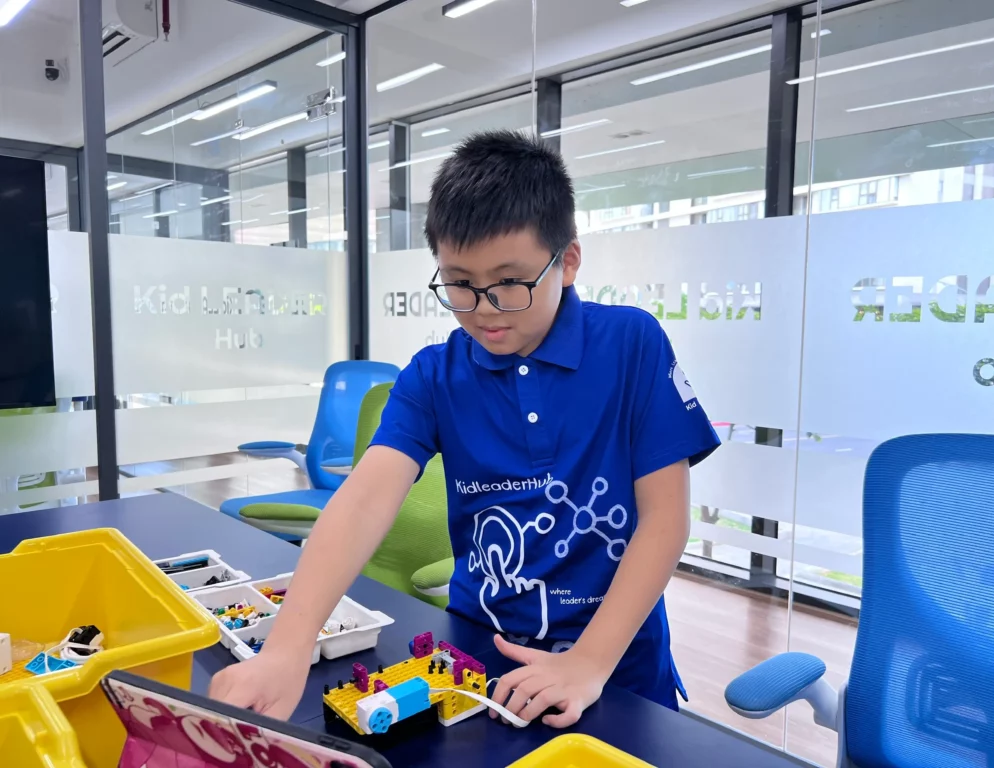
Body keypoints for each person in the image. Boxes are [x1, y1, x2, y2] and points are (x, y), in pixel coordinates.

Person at [209, 130, 720, 728]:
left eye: (509, 283)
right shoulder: (433, 376)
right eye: (459, 283)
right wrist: (286, 648)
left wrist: (588, 662)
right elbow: (362, 502)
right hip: (479, 660)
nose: (483, 308)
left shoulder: (631, 344)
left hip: (615, 666)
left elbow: (665, 519)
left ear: (567, 262)